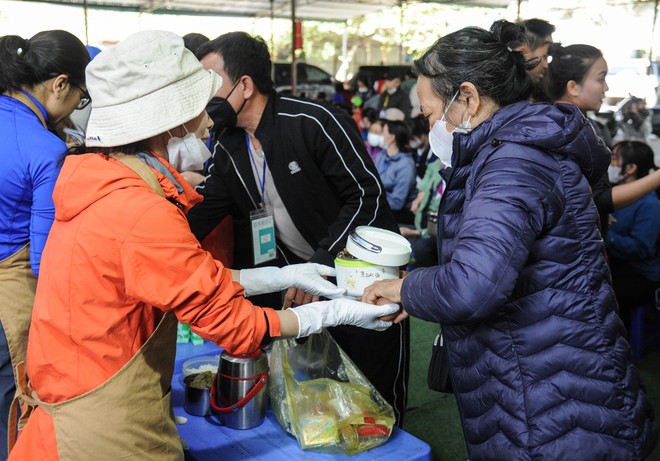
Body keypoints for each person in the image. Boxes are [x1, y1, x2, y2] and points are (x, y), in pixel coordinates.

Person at [8, 30, 400, 461]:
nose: (210, 119)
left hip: (74, 404)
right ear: (171, 123)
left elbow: (174, 274)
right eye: (200, 105)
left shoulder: (98, 179)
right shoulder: (139, 208)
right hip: (100, 425)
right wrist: (334, 311)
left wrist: (282, 273)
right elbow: (239, 327)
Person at [362, 23, 658, 460]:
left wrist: (406, 287)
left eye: (429, 115)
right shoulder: (509, 152)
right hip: (540, 377)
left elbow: (472, 285)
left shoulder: (512, 163)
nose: (429, 131)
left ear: (467, 97)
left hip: (549, 399)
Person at [187, 32, 409, 426]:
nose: (202, 93)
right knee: (320, 399)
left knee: (376, 403)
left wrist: (320, 264)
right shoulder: (227, 144)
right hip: (300, 290)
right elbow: (203, 212)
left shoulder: (313, 121)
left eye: (210, 80)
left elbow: (366, 196)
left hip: (363, 282)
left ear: (245, 85)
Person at [0, 30, 90, 460]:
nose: (76, 108)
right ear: (59, 84)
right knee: (9, 413)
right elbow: (44, 259)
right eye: (80, 97)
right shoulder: (46, 149)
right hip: (7, 299)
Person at [547, 43, 660, 235]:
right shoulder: (564, 131)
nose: (606, 88)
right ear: (573, 87)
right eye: (601, 79)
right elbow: (598, 200)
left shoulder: (574, 124)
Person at [605, 140, 660, 328]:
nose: (609, 164)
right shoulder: (614, 194)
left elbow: (641, 248)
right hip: (617, 267)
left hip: (641, 274)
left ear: (631, 168)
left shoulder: (649, 204)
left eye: (613, 159)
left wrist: (606, 235)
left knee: (601, 297)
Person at [374, 120, 416, 225]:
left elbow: (397, 203)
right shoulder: (381, 156)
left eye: (384, 132)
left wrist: (375, 195)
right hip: (379, 204)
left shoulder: (406, 165)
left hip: (396, 213)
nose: (381, 135)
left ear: (392, 138)